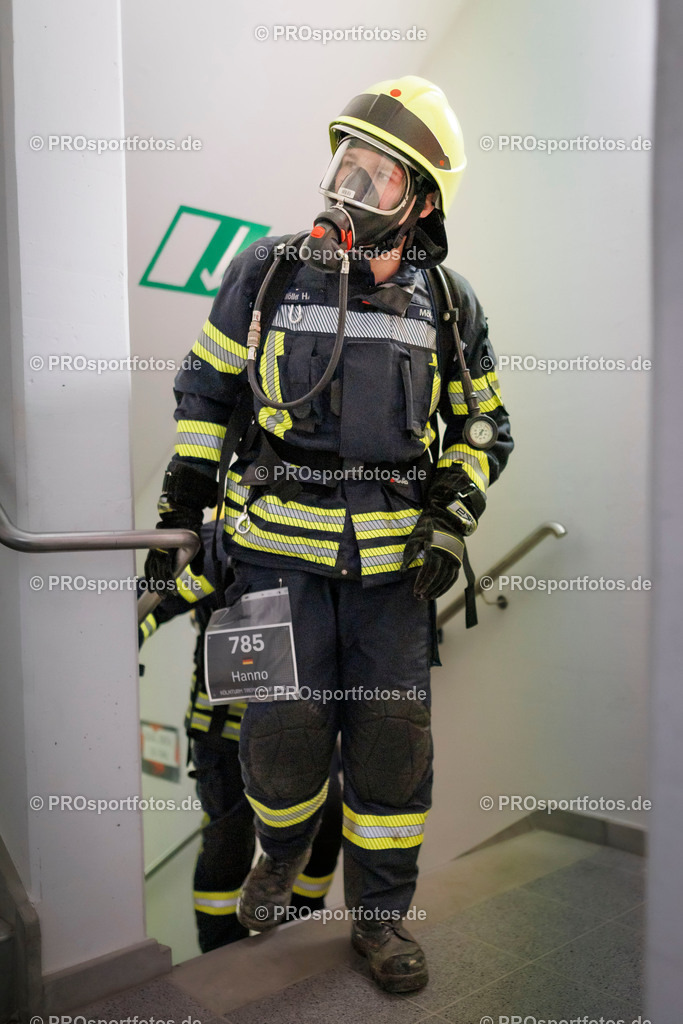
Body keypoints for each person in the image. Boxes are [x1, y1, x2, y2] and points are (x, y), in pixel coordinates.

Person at [145, 75, 513, 993]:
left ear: (420, 203)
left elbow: (483, 430)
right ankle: (279, 855)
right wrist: (180, 513)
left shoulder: (450, 305)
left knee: (391, 749)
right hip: (273, 560)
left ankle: (379, 924)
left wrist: (450, 518)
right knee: (279, 738)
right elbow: (206, 391)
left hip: (392, 574)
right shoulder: (265, 270)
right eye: (346, 162)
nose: (348, 185)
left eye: (376, 175)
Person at [139, 518, 342, 953]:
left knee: (324, 823)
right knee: (228, 841)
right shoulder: (213, 541)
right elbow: (150, 604)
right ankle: (220, 953)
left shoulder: (326, 532)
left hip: (306, 724)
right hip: (223, 731)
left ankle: (303, 927)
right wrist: (119, 644)